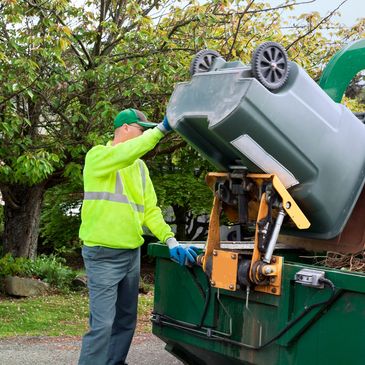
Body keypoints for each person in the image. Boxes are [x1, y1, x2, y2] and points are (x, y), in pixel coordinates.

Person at [78, 108, 198, 365]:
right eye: (140, 130)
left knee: (125, 320)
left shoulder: (140, 168)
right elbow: (127, 152)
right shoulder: (97, 157)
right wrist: (161, 131)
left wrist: (170, 239)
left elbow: (150, 211)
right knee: (102, 325)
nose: (144, 135)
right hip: (102, 254)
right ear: (124, 128)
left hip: (130, 254)